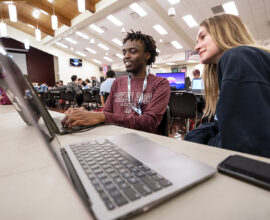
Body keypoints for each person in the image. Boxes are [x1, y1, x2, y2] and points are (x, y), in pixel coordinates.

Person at [184, 14, 270, 158]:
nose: (196, 46)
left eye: (203, 37)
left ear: (223, 32)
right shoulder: (237, 60)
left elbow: (244, 147)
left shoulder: (238, 57)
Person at [62, 30, 171, 133]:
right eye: (124, 52)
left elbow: (149, 123)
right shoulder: (118, 82)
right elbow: (107, 113)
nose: (126, 56)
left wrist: (102, 116)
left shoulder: (160, 83)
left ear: (147, 55)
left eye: (133, 51)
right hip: (114, 136)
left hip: (144, 141)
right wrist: (85, 112)